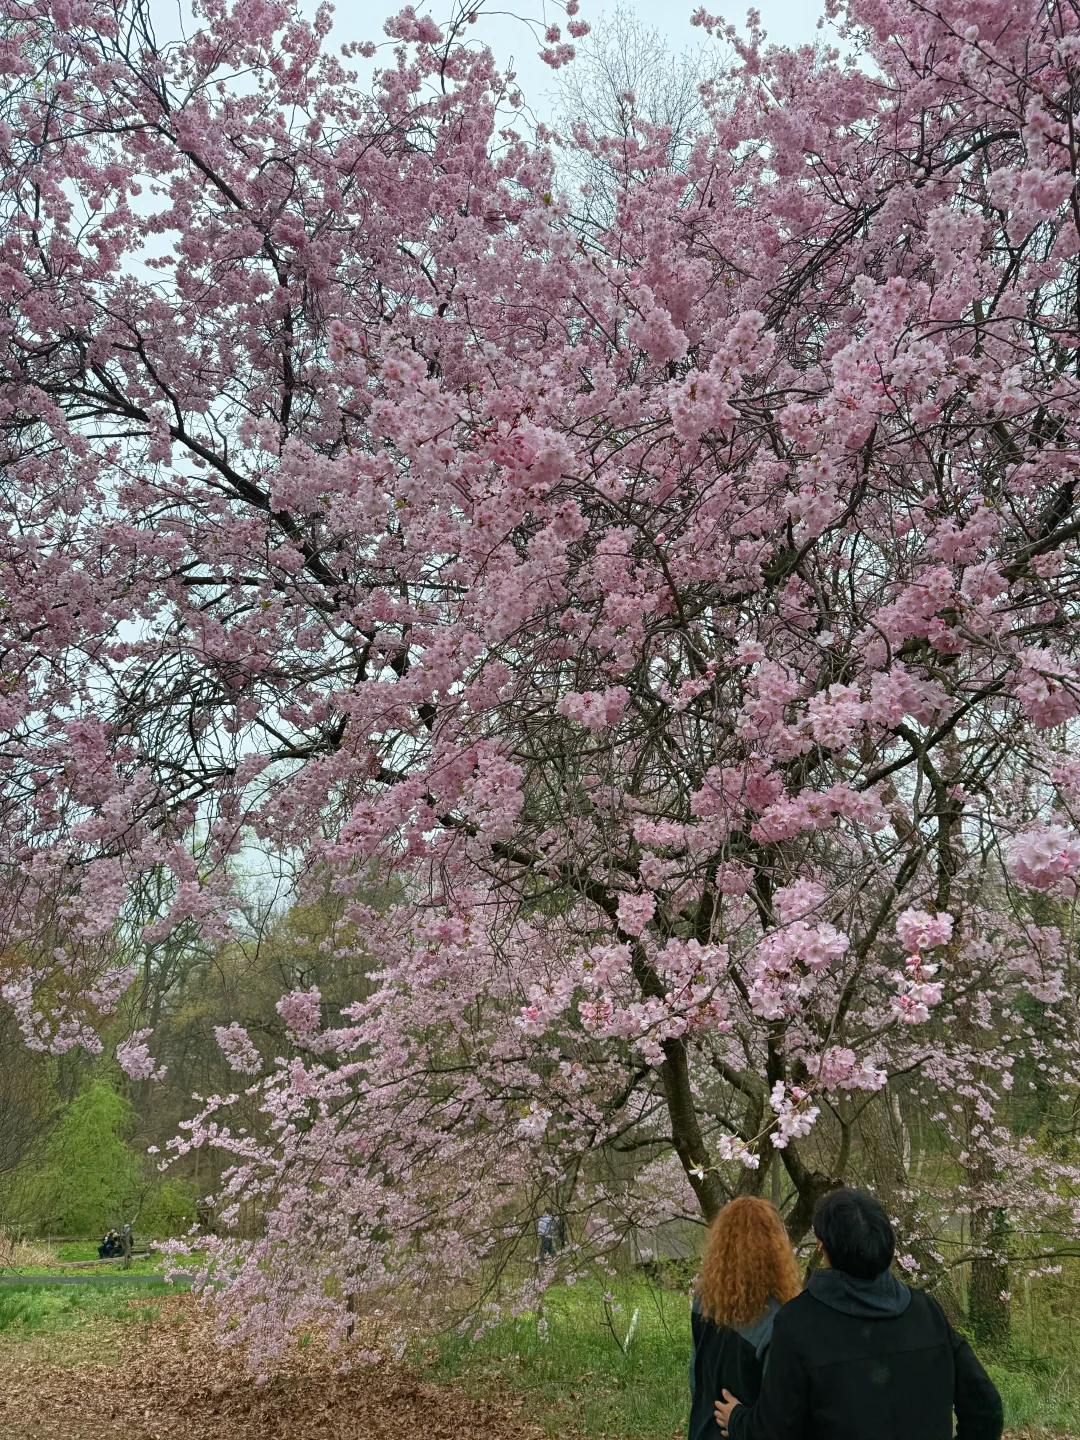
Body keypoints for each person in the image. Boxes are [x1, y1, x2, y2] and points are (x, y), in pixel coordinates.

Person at [715, 1188, 1003, 1440]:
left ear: (822, 1247)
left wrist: (738, 1419)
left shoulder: (798, 1324)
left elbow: (776, 1430)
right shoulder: (927, 1313)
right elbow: (985, 1407)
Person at [687, 1197, 802, 1440]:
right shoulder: (778, 1320)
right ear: (775, 1249)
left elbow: (695, 1376)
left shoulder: (704, 1301)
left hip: (703, 1429)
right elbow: (779, 1410)